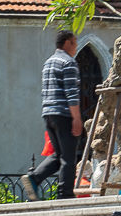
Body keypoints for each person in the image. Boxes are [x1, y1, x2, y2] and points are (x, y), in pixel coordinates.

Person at [21, 30, 83, 201]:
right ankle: (65, 195)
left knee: (58, 154)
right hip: (64, 114)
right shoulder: (69, 63)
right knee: (69, 157)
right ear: (68, 43)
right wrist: (76, 118)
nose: (76, 47)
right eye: (75, 43)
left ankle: (34, 178)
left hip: (48, 113)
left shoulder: (48, 63)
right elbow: (71, 93)